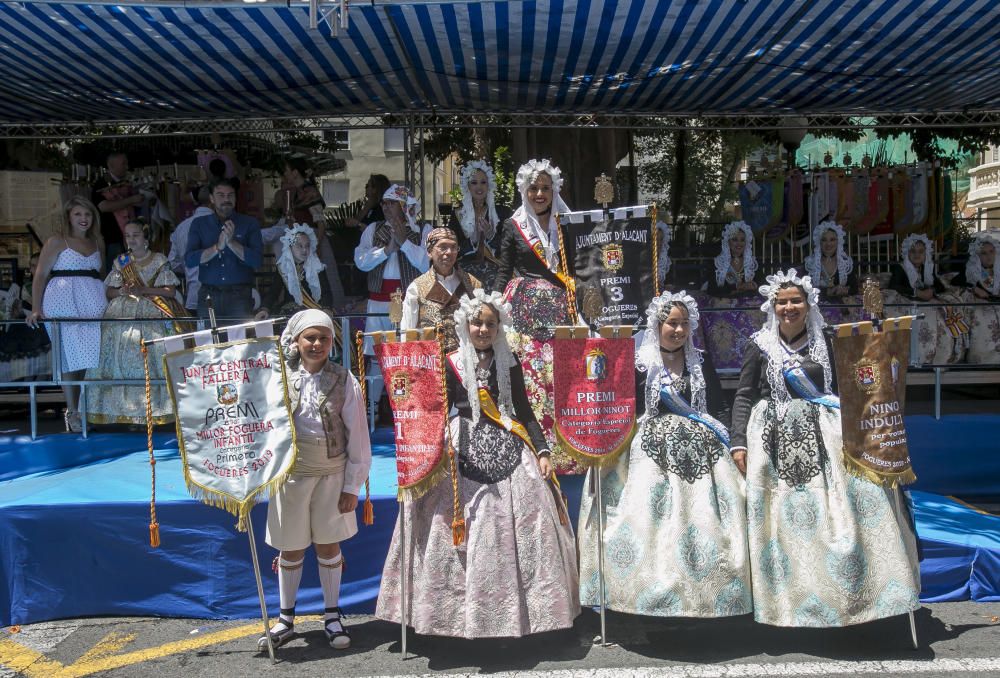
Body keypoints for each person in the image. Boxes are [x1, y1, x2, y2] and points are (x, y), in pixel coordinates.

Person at [376, 290, 579, 638]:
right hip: (461, 440)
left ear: (499, 326)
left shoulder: (509, 362)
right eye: (477, 323)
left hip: (509, 441)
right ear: (465, 325)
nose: (483, 329)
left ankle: (526, 616)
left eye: (489, 323)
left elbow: (524, 412)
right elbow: (432, 407)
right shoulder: (451, 360)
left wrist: (543, 451)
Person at [730, 269, 920, 627]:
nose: (789, 307)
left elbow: (855, 384)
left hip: (829, 435)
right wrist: (738, 440)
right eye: (782, 301)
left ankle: (846, 597)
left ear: (808, 304)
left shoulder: (830, 340)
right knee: (782, 523)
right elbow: (743, 395)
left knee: (845, 510)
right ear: (772, 306)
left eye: (795, 301)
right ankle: (787, 602)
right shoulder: (759, 345)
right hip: (773, 441)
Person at [578, 291, 750, 618]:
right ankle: (651, 595)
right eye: (672, 323)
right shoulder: (639, 363)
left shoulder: (700, 359)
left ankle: (705, 595)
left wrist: (732, 443)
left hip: (703, 454)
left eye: (685, 323)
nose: (679, 330)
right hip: (648, 452)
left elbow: (719, 405)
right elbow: (620, 405)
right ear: (657, 325)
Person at [259, 309, 372, 651]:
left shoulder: (343, 379)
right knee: (290, 546)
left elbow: (359, 436)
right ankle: (285, 619)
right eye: (310, 337)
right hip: (290, 475)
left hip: (331, 475)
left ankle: (332, 614)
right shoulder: (275, 378)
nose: (317, 344)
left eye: (324, 338)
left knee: (328, 543)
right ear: (295, 341)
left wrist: (353, 485)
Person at [493, 159, 577, 472]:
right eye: (534, 188)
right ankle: (531, 451)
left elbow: (578, 268)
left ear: (554, 189)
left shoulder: (567, 223)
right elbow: (504, 270)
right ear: (525, 191)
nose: (539, 193)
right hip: (523, 310)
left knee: (559, 377)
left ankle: (564, 452)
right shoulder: (513, 226)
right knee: (529, 378)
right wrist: (491, 303)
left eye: (545, 188)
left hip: (560, 309)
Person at [86, 219, 180, 425]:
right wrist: (121, 291)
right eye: (128, 236)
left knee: (152, 360)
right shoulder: (121, 261)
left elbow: (170, 291)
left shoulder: (158, 260)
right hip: (122, 314)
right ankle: (120, 411)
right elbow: (109, 291)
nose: (131, 239)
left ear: (146, 238)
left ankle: (155, 410)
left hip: (151, 314)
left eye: (136, 235)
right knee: (117, 359)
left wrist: (143, 290)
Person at [26, 197, 108, 432]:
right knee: (69, 356)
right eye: (78, 214)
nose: (83, 219)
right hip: (63, 301)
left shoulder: (97, 240)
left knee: (91, 357)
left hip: (92, 301)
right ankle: (72, 410)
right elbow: (40, 275)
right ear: (69, 217)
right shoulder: (56, 242)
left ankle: (85, 408)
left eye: (88, 215)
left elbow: (100, 273)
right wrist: (36, 308)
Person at [354, 184, 431, 402]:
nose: (385, 207)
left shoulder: (422, 230)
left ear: (404, 206)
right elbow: (361, 261)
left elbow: (427, 264)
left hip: (410, 302)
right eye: (384, 203)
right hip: (378, 301)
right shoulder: (373, 229)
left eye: (391, 203)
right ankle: (374, 408)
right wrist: (386, 250)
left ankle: (406, 406)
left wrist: (404, 243)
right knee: (378, 355)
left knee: (407, 353)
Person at [184, 177, 263, 320]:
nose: (226, 199)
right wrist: (216, 248)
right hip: (208, 294)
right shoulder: (199, 224)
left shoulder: (249, 223)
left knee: (240, 342)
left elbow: (257, 261)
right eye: (221, 195)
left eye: (230, 195)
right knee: (208, 341)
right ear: (211, 199)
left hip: (239, 295)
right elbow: (189, 260)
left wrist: (231, 243)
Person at [887, 233, 968, 365]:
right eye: (913, 251)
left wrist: (931, 291)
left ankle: (938, 357)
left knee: (944, 312)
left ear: (925, 254)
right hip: (908, 301)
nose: (917, 255)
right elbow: (894, 286)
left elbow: (939, 287)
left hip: (925, 300)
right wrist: (917, 292)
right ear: (907, 253)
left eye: (920, 251)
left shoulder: (927, 268)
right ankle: (915, 357)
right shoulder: (901, 268)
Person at [400, 226, 481, 351]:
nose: (449, 252)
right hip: (430, 361)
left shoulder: (472, 284)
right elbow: (408, 332)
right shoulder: (417, 287)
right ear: (429, 252)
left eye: (454, 247)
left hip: (465, 361)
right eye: (443, 247)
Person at [281, 158, 347, 311]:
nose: (285, 174)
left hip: (315, 239)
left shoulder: (309, 191)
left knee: (326, 276)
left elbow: (321, 222)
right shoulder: (296, 193)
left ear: (295, 172)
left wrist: (315, 246)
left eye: (287, 170)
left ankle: (333, 311)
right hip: (303, 241)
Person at [449, 161, 507, 290]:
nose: (479, 187)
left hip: (496, 271)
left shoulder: (501, 213)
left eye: (483, 182)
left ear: (489, 185)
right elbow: (451, 250)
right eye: (474, 183)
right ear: (468, 186)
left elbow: (508, 249)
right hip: (465, 272)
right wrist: (472, 241)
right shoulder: (458, 214)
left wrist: (491, 236)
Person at [256, 224, 333, 321]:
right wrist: (264, 309)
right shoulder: (283, 268)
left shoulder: (317, 267)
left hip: (314, 311)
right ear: (290, 248)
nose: (304, 250)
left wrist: (326, 308)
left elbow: (326, 292)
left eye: (307, 246)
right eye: (299, 246)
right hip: (290, 313)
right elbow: (273, 292)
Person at [92, 151, 151, 265]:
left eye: (126, 163)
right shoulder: (102, 183)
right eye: (123, 164)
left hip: (129, 237)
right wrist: (131, 200)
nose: (127, 167)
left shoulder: (125, 183)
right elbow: (103, 207)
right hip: (112, 239)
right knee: (116, 274)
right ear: (111, 166)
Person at [953, 232, 1000, 364]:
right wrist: (974, 288)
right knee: (980, 315)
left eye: (991, 252)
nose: (989, 256)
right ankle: (982, 358)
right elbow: (957, 282)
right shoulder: (972, 269)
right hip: (980, 302)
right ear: (978, 255)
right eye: (984, 253)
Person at [168, 186, 213, 314]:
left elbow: (172, 263)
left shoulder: (181, 227)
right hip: (224, 298)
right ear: (213, 201)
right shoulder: (224, 224)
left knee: (196, 333)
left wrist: (189, 268)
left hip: (193, 296)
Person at [708, 220, 761, 297]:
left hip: (748, 306)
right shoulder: (719, 263)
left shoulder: (751, 263)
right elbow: (711, 290)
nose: (739, 243)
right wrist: (737, 287)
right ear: (728, 242)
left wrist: (754, 285)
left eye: (742, 240)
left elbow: (762, 285)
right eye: (734, 240)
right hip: (725, 306)